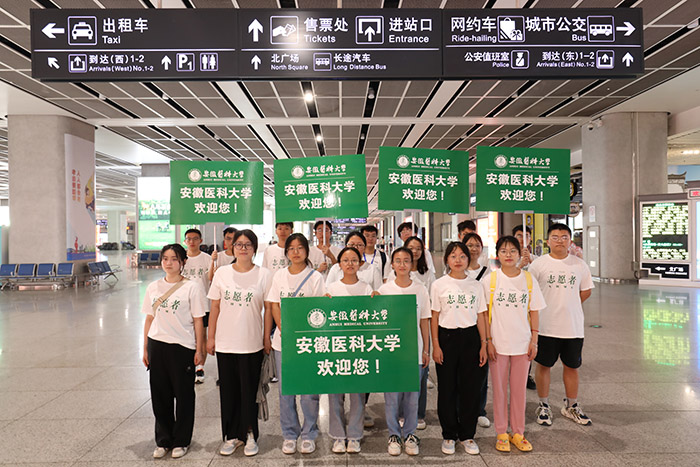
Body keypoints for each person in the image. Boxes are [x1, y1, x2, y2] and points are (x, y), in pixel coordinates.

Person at [207, 230, 271, 457]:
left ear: (254, 248)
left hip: (251, 343)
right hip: (225, 343)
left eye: (248, 244)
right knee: (229, 391)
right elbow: (215, 307)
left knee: (249, 391)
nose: (243, 248)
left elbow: (268, 309)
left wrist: (266, 337)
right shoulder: (222, 273)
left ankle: (250, 433)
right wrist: (211, 337)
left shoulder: (264, 274)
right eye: (239, 244)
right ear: (232, 248)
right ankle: (231, 435)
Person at [141, 244, 206, 459]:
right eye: (165, 258)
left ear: (183, 262)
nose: (169, 263)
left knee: (184, 395)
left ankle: (181, 440)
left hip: (182, 347)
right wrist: (145, 347)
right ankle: (163, 440)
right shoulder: (153, 287)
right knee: (160, 396)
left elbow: (198, 320)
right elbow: (149, 318)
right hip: (157, 345)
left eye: (174, 259)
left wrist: (199, 349)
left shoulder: (192, 287)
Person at [482, 236, 545, 453]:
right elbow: (484, 314)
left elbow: (534, 311)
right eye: (503, 251)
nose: (508, 255)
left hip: (522, 343)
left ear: (520, 254)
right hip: (498, 344)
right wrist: (488, 341)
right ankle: (501, 431)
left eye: (512, 251)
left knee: (519, 391)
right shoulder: (490, 280)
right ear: (497, 254)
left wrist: (534, 341)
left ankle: (518, 432)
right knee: (499, 390)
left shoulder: (528, 279)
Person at [266, 233, 326, 454]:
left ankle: (309, 433)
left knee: (309, 390)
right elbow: (274, 304)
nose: (296, 252)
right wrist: (283, 328)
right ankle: (290, 434)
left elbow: (320, 309)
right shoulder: (279, 276)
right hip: (284, 343)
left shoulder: (315, 277)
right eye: (291, 248)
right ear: (286, 252)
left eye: (300, 248)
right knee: (286, 391)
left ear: (307, 251)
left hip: (309, 343)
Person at [529, 223, 594, 426]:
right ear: (548, 241)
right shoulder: (538, 265)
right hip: (546, 325)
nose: (560, 240)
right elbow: (530, 293)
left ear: (570, 241)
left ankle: (571, 405)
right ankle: (544, 405)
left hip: (572, 327)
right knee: (544, 365)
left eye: (564, 237)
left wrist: (570, 304)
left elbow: (586, 290)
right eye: (555, 237)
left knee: (572, 366)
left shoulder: (579, 265)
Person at [430, 242, 487, 456]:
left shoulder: (476, 285)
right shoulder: (439, 285)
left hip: (471, 338)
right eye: (453, 256)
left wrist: (484, 344)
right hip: (447, 338)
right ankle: (449, 434)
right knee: (447, 389)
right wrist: (436, 345)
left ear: (468, 260)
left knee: (470, 388)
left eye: (462, 256)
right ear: (446, 259)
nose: (458, 260)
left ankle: (467, 435)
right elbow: (434, 317)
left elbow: (481, 316)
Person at [378, 247, 431, 456]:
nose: (402, 264)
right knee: (391, 396)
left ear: (412, 264)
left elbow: (424, 321)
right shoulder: (384, 290)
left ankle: (409, 434)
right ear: (392, 264)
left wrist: (426, 349)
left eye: (406, 260)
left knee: (412, 396)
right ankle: (393, 434)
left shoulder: (420, 290)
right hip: (391, 352)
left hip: (413, 351)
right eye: (398, 260)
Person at [325, 246, 374, 454]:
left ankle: (354, 435)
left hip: (359, 347)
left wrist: (377, 300)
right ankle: (338, 435)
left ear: (360, 264)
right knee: (335, 394)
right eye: (345, 260)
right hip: (336, 347)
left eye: (354, 260)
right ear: (339, 264)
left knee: (357, 394)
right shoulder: (332, 288)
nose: (350, 264)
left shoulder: (366, 288)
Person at [462, 232, 491, 428]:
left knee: (481, 371)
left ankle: (480, 410)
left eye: (477, 245)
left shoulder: (488, 273)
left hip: (481, 323)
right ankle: (462, 408)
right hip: (461, 323)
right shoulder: (455, 270)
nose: (473, 249)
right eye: (469, 245)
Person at [182, 228, 212, 384]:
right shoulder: (181, 259)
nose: (192, 241)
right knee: (187, 335)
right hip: (184, 304)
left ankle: (200, 367)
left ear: (200, 241)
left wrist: (214, 262)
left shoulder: (207, 258)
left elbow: (211, 279)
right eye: (189, 239)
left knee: (201, 336)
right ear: (185, 241)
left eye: (195, 238)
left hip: (203, 304)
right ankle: (187, 364)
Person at [513, 225, 538, 390]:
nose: (523, 238)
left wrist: (531, 263)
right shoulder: (510, 258)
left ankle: (526, 373)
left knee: (528, 340)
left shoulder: (537, 260)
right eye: (519, 235)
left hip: (530, 307)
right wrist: (519, 265)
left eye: (526, 235)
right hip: (513, 305)